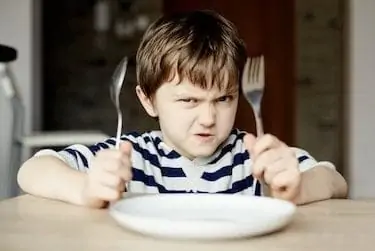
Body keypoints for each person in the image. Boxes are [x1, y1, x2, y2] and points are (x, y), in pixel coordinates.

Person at [17, 10, 347, 208]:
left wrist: (298, 188)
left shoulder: (252, 156)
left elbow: (334, 180)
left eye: (223, 99)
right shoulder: (131, 156)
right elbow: (33, 169)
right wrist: (85, 189)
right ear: (148, 99)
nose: (208, 118)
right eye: (189, 100)